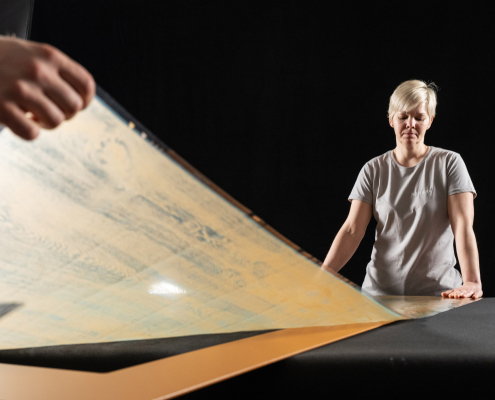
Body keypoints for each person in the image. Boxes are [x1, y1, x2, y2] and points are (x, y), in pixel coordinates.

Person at [321, 80, 482, 299]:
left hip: (439, 296)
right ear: (391, 119)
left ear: (430, 121)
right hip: (379, 298)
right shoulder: (373, 169)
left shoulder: (449, 163)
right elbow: (352, 230)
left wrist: (472, 281)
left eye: (419, 118)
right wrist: (321, 277)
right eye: (403, 116)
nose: (410, 124)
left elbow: (463, 226)